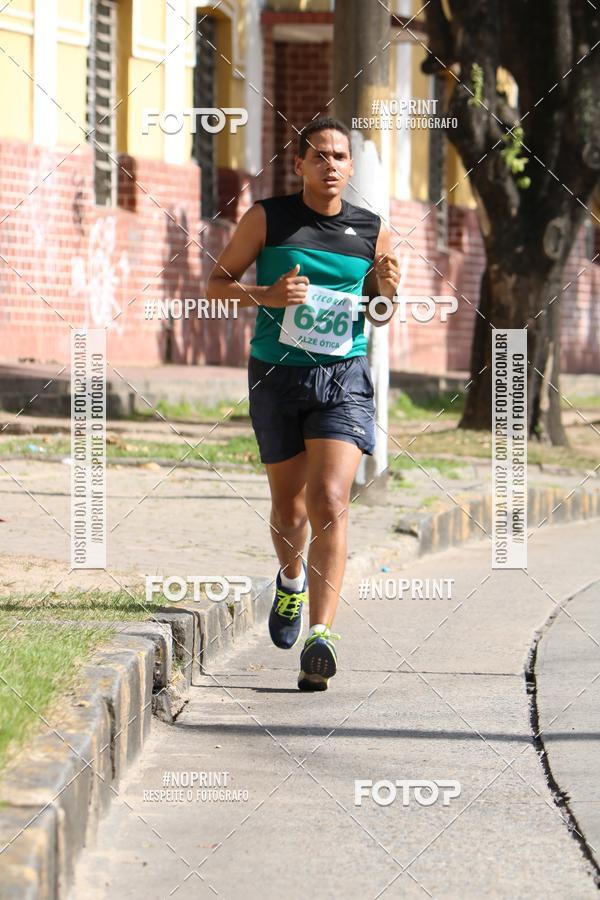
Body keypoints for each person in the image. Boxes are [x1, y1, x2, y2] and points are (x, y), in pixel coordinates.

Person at [207, 116, 400, 691]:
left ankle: (321, 635)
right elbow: (216, 285)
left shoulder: (372, 231)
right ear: (299, 165)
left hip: (342, 378)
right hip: (276, 376)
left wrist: (389, 292)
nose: (331, 164)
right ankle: (290, 582)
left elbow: (378, 314)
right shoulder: (268, 217)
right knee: (289, 509)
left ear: (350, 166)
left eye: (340, 156)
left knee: (330, 499)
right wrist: (266, 294)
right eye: (319, 155)